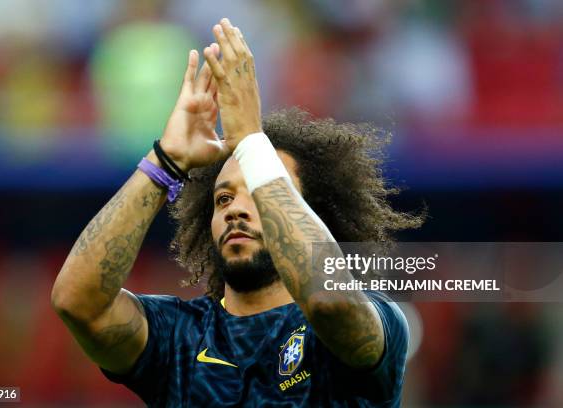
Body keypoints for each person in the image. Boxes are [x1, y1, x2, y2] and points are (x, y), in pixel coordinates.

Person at [51, 18, 421, 407]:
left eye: (259, 196)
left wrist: (250, 143)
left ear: (313, 216)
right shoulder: (178, 337)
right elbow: (77, 303)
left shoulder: (377, 319)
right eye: (224, 198)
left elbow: (328, 300)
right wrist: (166, 161)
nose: (236, 210)